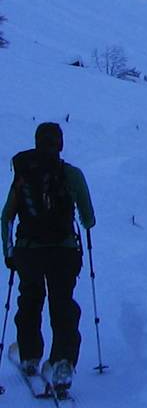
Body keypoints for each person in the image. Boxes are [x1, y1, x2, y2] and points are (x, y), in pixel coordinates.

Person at [3, 122, 96, 392]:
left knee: (30, 300)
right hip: (63, 252)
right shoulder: (71, 174)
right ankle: (62, 364)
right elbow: (88, 219)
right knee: (63, 305)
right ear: (60, 144)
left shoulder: (23, 174)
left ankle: (30, 356)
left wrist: (8, 252)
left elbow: (6, 216)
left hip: (28, 251)